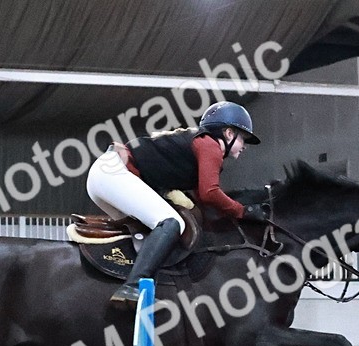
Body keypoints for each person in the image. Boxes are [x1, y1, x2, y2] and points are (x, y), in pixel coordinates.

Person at [86, 101, 266, 308]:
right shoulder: (210, 146)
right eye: (242, 138)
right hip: (114, 174)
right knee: (171, 223)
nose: (244, 146)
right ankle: (133, 287)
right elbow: (209, 193)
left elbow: (202, 199)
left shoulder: (201, 145)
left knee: (153, 230)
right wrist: (243, 211)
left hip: (107, 174)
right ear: (228, 133)